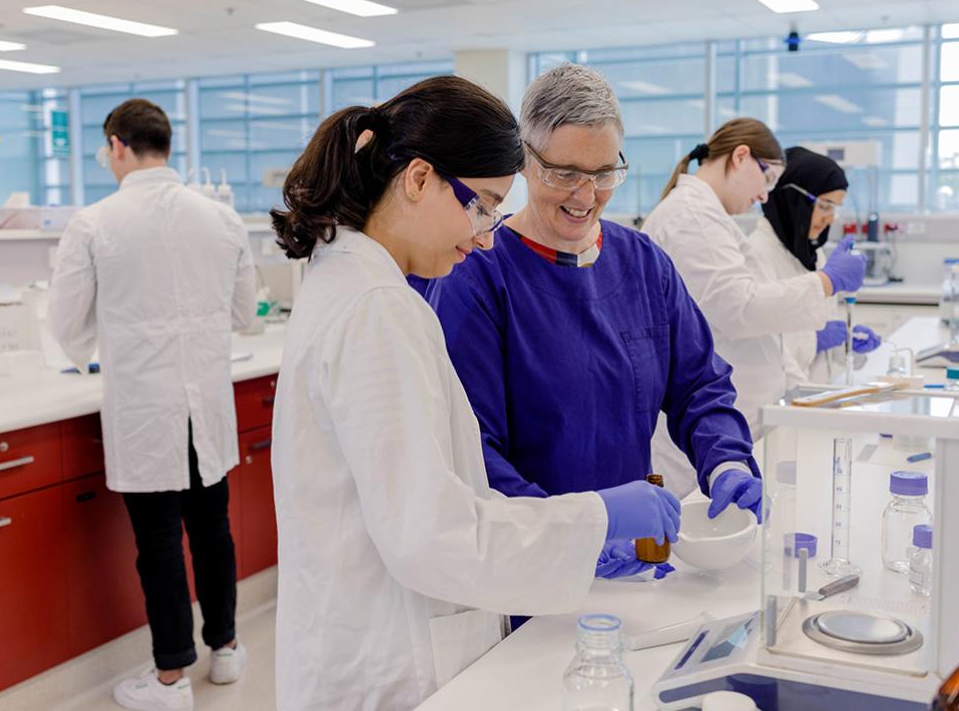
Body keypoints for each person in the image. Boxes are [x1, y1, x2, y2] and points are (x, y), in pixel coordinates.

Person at [268, 75, 678, 711]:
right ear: (419, 178)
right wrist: (594, 519)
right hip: (387, 666)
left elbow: (441, 500)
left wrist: (577, 537)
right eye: (481, 204)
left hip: (368, 637)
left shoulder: (357, 283)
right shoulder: (375, 308)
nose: (488, 233)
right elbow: (433, 536)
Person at [420, 64, 762, 583]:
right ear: (525, 164)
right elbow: (473, 452)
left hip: (633, 565)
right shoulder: (479, 278)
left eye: (603, 174)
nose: (585, 195)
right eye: (565, 174)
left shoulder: (643, 264)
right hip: (529, 572)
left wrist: (727, 463)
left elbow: (699, 386)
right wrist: (573, 538)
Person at [49, 99, 255, 711]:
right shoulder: (222, 220)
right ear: (165, 145)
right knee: (213, 531)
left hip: (146, 409)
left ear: (117, 145)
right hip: (208, 409)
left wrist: (100, 338)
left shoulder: (94, 223)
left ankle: (170, 680)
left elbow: (67, 327)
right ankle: (226, 651)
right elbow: (245, 314)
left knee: (159, 543)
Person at [642, 119, 867, 496]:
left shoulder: (710, 217)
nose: (765, 196)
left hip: (727, 423)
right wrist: (826, 282)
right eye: (767, 180)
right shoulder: (692, 218)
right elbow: (739, 309)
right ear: (741, 156)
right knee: (692, 545)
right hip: (697, 435)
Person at [749, 146, 881, 386]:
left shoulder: (813, 254)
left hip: (814, 396)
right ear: (794, 200)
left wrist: (846, 343)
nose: (831, 218)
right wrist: (815, 340)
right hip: (779, 407)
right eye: (825, 205)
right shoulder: (757, 255)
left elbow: (819, 327)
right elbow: (768, 354)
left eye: (835, 209)